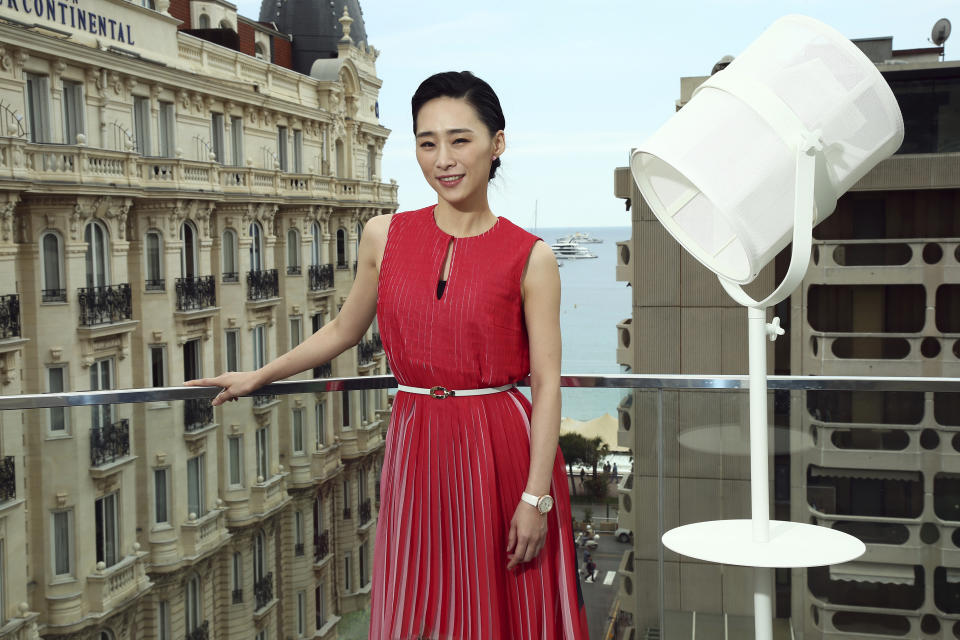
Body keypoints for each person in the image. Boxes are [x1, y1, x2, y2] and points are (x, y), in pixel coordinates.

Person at [186, 71, 589, 640]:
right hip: (415, 438)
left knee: (498, 605)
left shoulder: (532, 256)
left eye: (460, 139)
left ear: (497, 143)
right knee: (416, 595)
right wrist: (262, 374)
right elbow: (343, 330)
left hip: (498, 447)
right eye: (427, 142)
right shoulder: (384, 234)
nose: (443, 159)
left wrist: (536, 496)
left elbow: (547, 384)